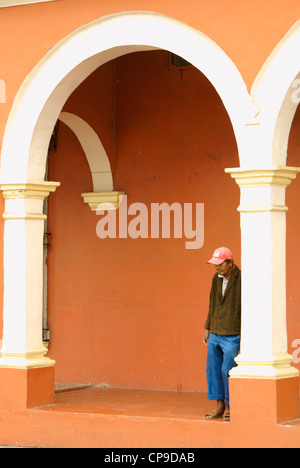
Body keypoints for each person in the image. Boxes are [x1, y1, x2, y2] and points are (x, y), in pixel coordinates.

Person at [203, 247, 241, 422]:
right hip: (216, 331)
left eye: (220, 264)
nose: (216, 268)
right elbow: (212, 303)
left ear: (230, 263)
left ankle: (230, 406)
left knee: (228, 369)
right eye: (215, 264)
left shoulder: (242, 279)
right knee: (213, 369)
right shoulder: (215, 279)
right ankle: (219, 405)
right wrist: (208, 327)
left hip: (232, 332)